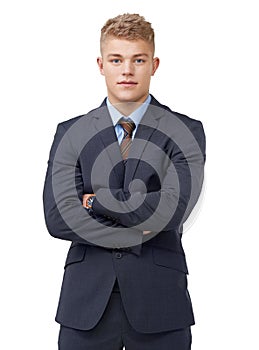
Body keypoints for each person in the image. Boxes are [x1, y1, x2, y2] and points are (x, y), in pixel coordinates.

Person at [43, 13, 206, 350]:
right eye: (117, 60)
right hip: (85, 305)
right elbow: (58, 218)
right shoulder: (70, 132)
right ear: (102, 64)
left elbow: (171, 212)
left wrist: (94, 201)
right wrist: (137, 230)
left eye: (138, 60)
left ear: (154, 64)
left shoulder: (186, 131)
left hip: (161, 303)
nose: (127, 70)